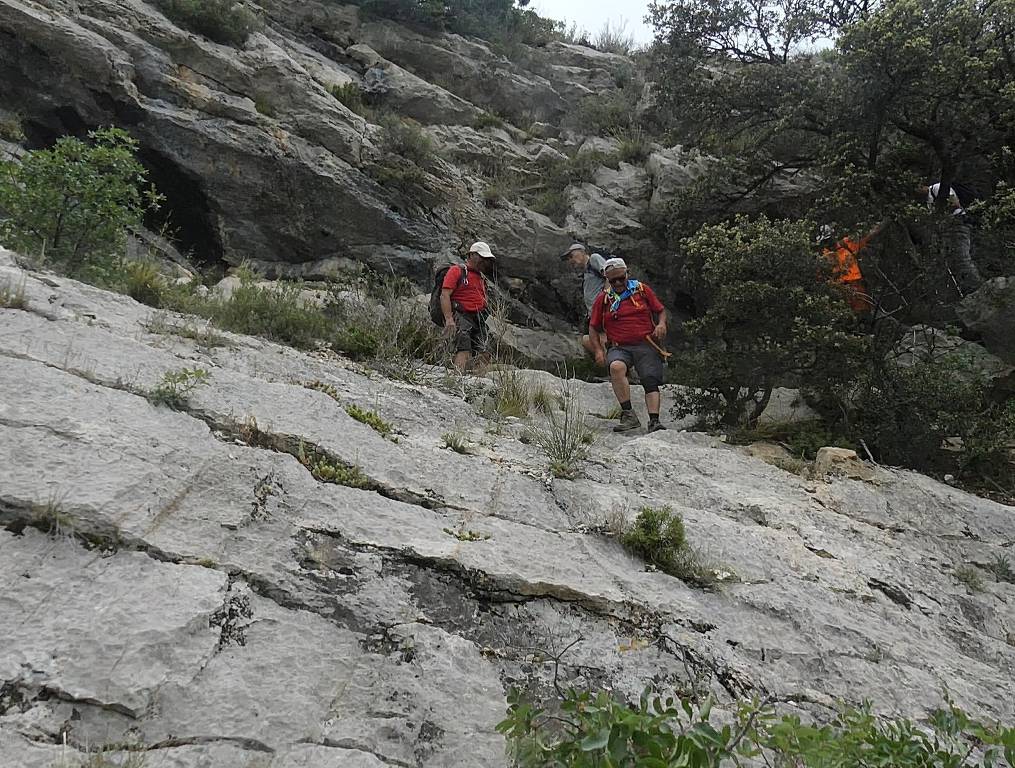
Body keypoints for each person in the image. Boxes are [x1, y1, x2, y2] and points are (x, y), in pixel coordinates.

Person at [589, 258, 668, 433]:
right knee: (616, 367)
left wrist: (661, 325)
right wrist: (598, 351)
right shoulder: (604, 299)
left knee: (649, 379)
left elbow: (660, 310)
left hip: (645, 343)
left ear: (627, 274)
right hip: (619, 346)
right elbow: (593, 327)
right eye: (613, 280)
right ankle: (628, 414)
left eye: (621, 278)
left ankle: (654, 420)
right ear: (607, 280)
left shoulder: (642, 290)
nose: (618, 283)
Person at [440, 241, 496, 372]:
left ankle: (478, 382)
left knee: (485, 350)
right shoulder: (457, 271)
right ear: (471, 255)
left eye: (486, 259)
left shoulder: (481, 278)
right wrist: (449, 319)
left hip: (479, 318)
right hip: (461, 315)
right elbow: (444, 295)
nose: (484, 261)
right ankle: (457, 381)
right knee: (463, 348)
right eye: (482, 257)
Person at [919, 181, 982, 294]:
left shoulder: (939, 188)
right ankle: (965, 288)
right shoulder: (928, 199)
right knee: (953, 259)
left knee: (962, 257)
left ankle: (977, 287)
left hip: (958, 222)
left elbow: (955, 203)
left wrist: (940, 212)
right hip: (948, 227)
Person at [818, 224, 882, 312]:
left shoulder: (847, 244)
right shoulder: (824, 257)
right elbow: (822, 278)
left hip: (856, 286)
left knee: (863, 312)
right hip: (840, 290)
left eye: (829, 239)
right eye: (825, 241)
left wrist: (889, 219)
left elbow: (870, 234)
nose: (828, 243)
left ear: (833, 236)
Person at [561, 243, 607, 356]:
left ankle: (618, 367)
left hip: (603, 311)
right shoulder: (586, 272)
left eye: (571, 256)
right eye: (568, 259)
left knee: (604, 340)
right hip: (594, 314)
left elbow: (610, 275)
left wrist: (605, 300)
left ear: (582, 252)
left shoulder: (594, 259)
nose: (570, 260)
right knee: (591, 340)